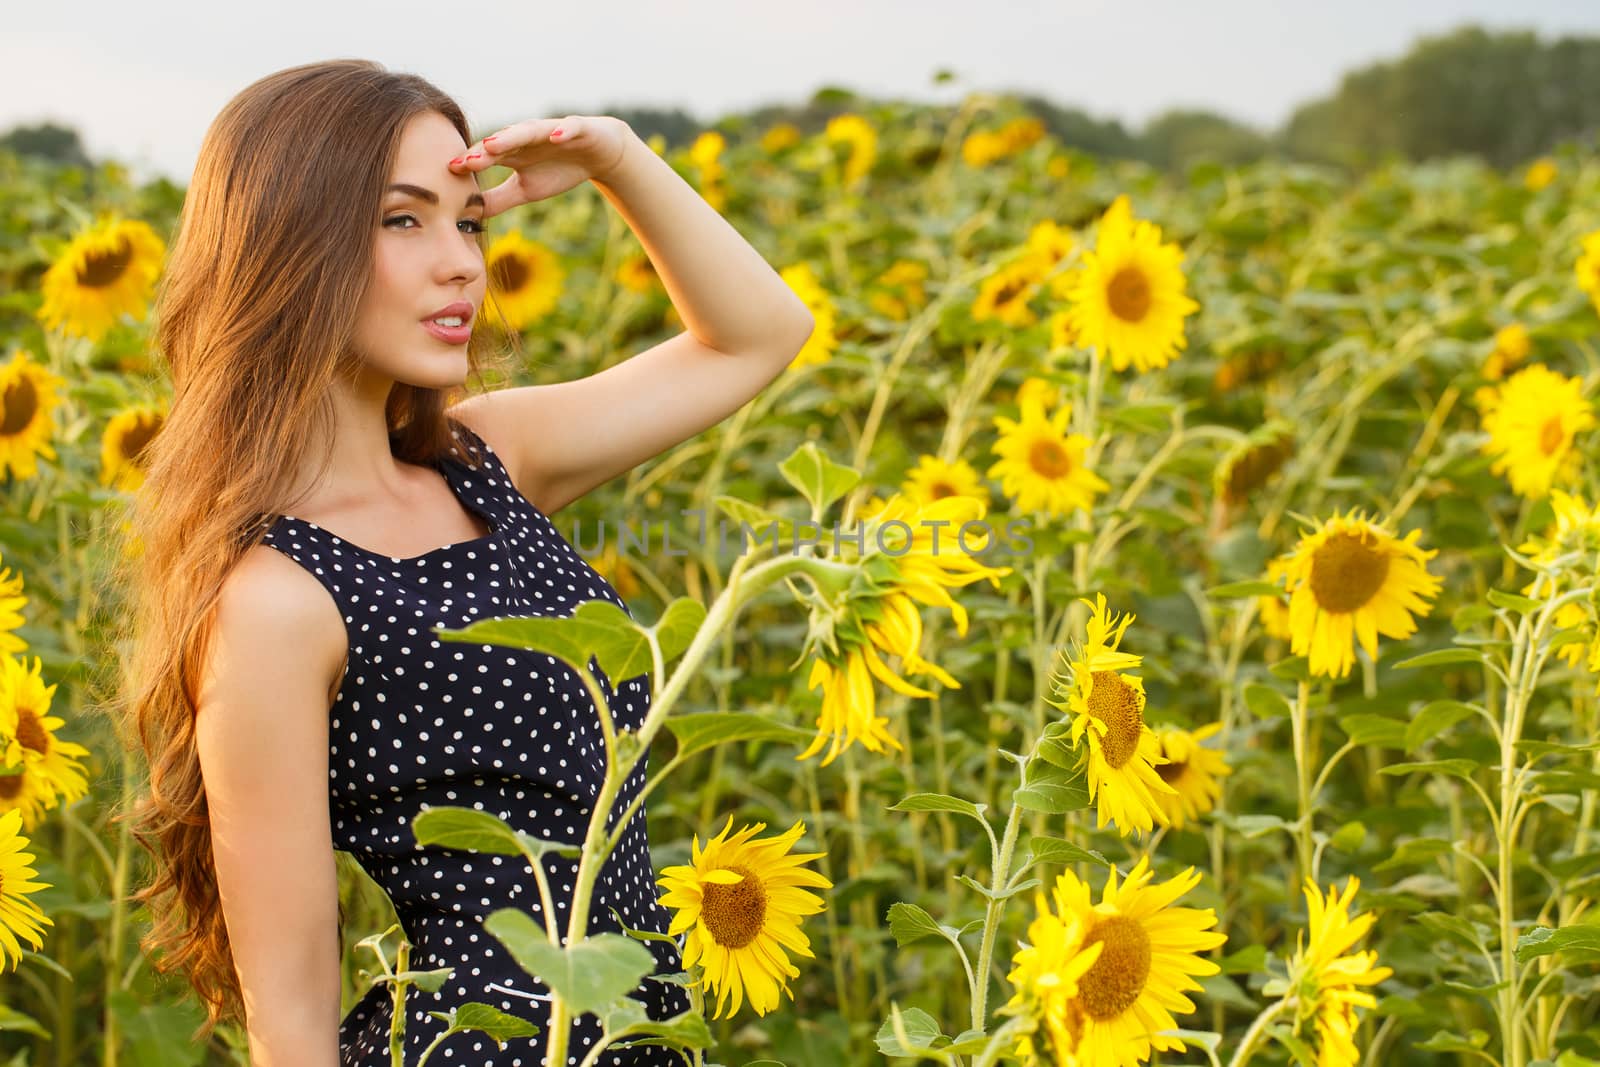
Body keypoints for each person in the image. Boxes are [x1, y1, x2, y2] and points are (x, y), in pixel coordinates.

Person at [109, 59, 814, 1066]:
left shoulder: (485, 461)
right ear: (286, 244)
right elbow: (294, 1020)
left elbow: (757, 335)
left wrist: (617, 156)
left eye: (470, 221)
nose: (463, 264)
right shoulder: (273, 601)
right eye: (405, 220)